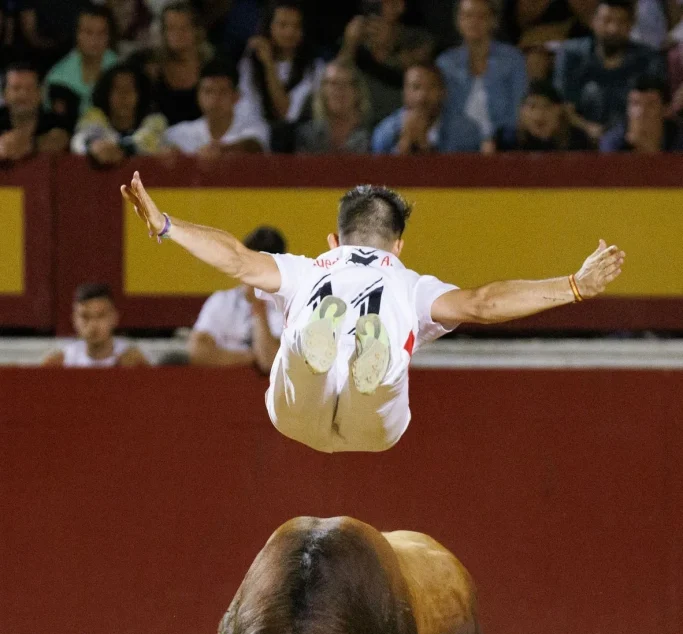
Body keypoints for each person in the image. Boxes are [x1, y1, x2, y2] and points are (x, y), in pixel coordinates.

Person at [122, 172, 625, 454]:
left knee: (297, 367)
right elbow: (483, 304)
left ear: (334, 240)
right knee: (382, 390)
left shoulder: (305, 268)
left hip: (296, 417)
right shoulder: (410, 284)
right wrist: (575, 286)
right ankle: (376, 360)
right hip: (376, 431)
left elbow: (234, 257)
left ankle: (310, 345)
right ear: (399, 245)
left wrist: (166, 224)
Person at [553, 0, 666, 142]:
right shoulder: (572, 55)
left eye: (621, 22)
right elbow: (563, 104)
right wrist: (588, 128)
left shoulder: (648, 60)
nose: (613, 29)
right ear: (593, 22)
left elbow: (655, 107)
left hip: (631, 141)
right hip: (579, 138)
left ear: (631, 25)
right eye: (607, 21)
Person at [189, 226, 286, 370]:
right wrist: (251, 358)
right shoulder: (223, 300)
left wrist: (258, 306)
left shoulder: (288, 306)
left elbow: (269, 361)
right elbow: (197, 351)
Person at [436, 0, 529, 149]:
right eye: (468, 16)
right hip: (456, 142)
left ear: (493, 21)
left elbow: (518, 107)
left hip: (502, 141)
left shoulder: (513, 59)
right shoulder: (445, 63)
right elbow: (443, 113)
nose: (474, 22)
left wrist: (493, 139)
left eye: (481, 16)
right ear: (458, 21)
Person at [340, 0, 434, 127]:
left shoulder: (418, 40)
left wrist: (384, 49)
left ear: (399, 6)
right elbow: (337, 77)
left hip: (398, 121)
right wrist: (349, 46)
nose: (374, 7)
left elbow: (413, 74)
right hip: (359, 121)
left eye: (380, 3)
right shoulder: (358, 37)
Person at [238, 1, 324, 125]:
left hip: (296, 134)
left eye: (296, 26)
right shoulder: (251, 62)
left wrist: (269, 64)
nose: (289, 33)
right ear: (269, 27)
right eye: (283, 25)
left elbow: (286, 114)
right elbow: (247, 108)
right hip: (256, 132)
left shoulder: (314, 67)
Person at [162, 58, 269, 154]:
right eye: (208, 91)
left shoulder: (255, 127)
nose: (215, 99)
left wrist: (223, 150)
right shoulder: (178, 133)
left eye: (223, 92)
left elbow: (254, 146)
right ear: (198, 95)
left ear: (236, 97)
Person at [371, 62, 482, 153]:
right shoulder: (385, 131)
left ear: (443, 92)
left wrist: (426, 147)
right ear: (404, 93)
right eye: (415, 87)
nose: (422, 96)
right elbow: (380, 174)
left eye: (430, 88)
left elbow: (462, 173)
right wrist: (403, 146)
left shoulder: (466, 130)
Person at [71, 64, 167, 164]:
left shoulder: (156, 121)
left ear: (141, 94)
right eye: (117, 89)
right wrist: (95, 146)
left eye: (130, 89)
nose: (123, 96)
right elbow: (80, 139)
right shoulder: (93, 116)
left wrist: (122, 150)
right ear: (106, 94)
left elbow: (149, 142)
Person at [43, 284, 148, 367]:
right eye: (85, 316)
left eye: (101, 315)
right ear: (74, 320)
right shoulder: (59, 363)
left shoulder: (133, 362)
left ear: (114, 318)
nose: (93, 324)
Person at [43, 4, 118, 117]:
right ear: (77, 34)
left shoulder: (121, 71)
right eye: (88, 32)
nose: (95, 40)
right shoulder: (57, 78)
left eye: (101, 33)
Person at [295, 60, 371, 154]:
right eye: (333, 84)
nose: (338, 90)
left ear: (357, 91)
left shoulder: (372, 136)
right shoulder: (307, 135)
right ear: (323, 91)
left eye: (345, 84)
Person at [154, 1, 210, 126]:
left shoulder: (211, 67)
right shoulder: (153, 71)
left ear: (196, 30)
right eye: (171, 28)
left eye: (184, 28)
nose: (178, 34)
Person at [0, 62, 69, 162]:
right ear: (4, 94)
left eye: (29, 88)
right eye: (16, 88)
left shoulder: (56, 123)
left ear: (41, 93)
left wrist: (29, 145)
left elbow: (61, 139)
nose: (23, 95)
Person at [494, 79, 593, 148]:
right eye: (532, 107)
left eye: (546, 106)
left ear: (559, 110)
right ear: (521, 111)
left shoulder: (577, 141)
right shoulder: (506, 141)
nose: (539, 115)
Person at [599, 72, 683, 147]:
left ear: (666, 109)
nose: (642, 112)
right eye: (635, 104)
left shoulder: (679, 139)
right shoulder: (613, 142)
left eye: (651, 105)